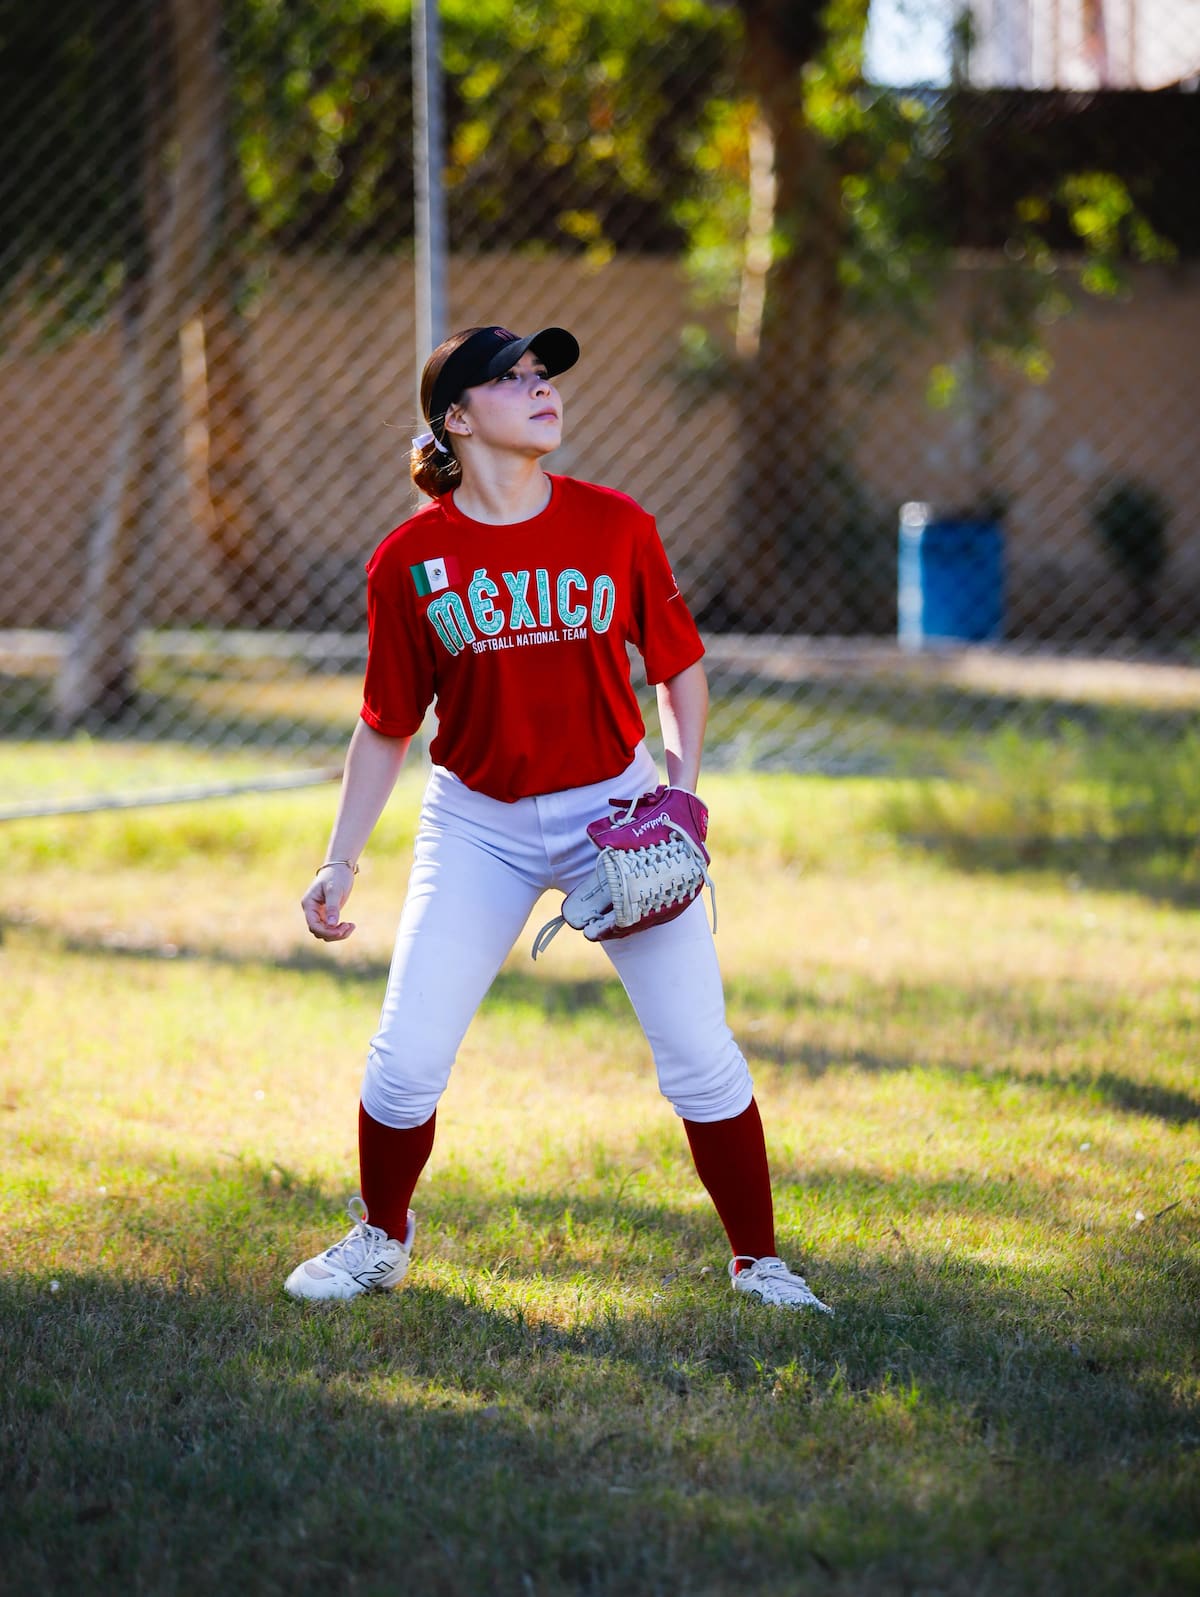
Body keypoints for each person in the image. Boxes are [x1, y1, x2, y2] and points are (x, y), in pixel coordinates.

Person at [285, 323, 832, 1314]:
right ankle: (381, 1237)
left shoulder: (615, 524)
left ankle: (761, 1261)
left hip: (615, 808)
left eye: (545, 376)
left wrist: (680, 789)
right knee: (404, 1062)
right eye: (513, 379)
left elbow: (680, 669)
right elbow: (385, 725)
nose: (542, 390)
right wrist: (341, 862)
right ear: (455, 418)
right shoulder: (410, 559)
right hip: (478, 821)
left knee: (700, 1055)